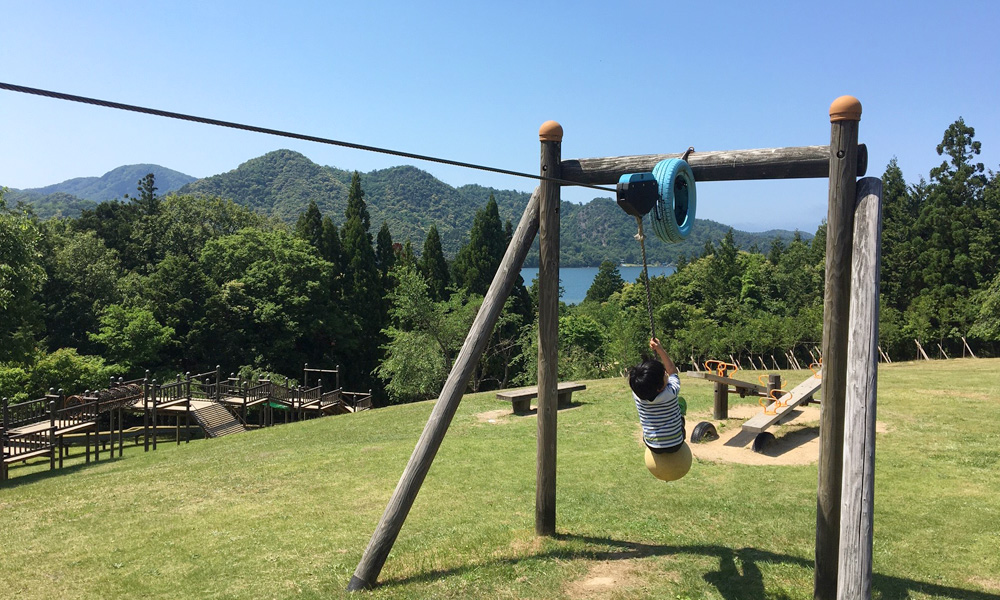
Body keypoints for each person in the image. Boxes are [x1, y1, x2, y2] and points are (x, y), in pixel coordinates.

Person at [629, 337, 685, 454]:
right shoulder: (671, 392)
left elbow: (663, 376)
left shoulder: (637, 394)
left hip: (652, 445)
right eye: (664, 375)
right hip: (676, 444)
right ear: (660, 388)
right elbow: (673, 371)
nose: (666, 374)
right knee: (681, 412)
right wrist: (660, 350)